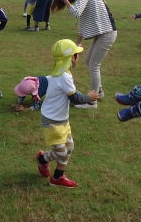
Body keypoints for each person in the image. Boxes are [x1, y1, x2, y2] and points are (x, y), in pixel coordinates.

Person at [34, 39, 99, 188]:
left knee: (68, 147)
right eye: (77, 55)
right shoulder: (63, 76)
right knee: (61, 152)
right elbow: (75, 98)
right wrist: (89, 97)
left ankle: (58, 177)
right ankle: (42, 159)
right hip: (52, 121)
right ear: (71, 58)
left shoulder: (62, 73)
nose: (79, 58)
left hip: (62, 119)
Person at [52, 0, 117, 109]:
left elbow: (76, 13)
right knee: (88, 62)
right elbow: (84, 22)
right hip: (102, 33)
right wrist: (78, 44)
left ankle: (92, 102)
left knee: (93, 65)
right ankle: (99, 92)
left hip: (107, 33)